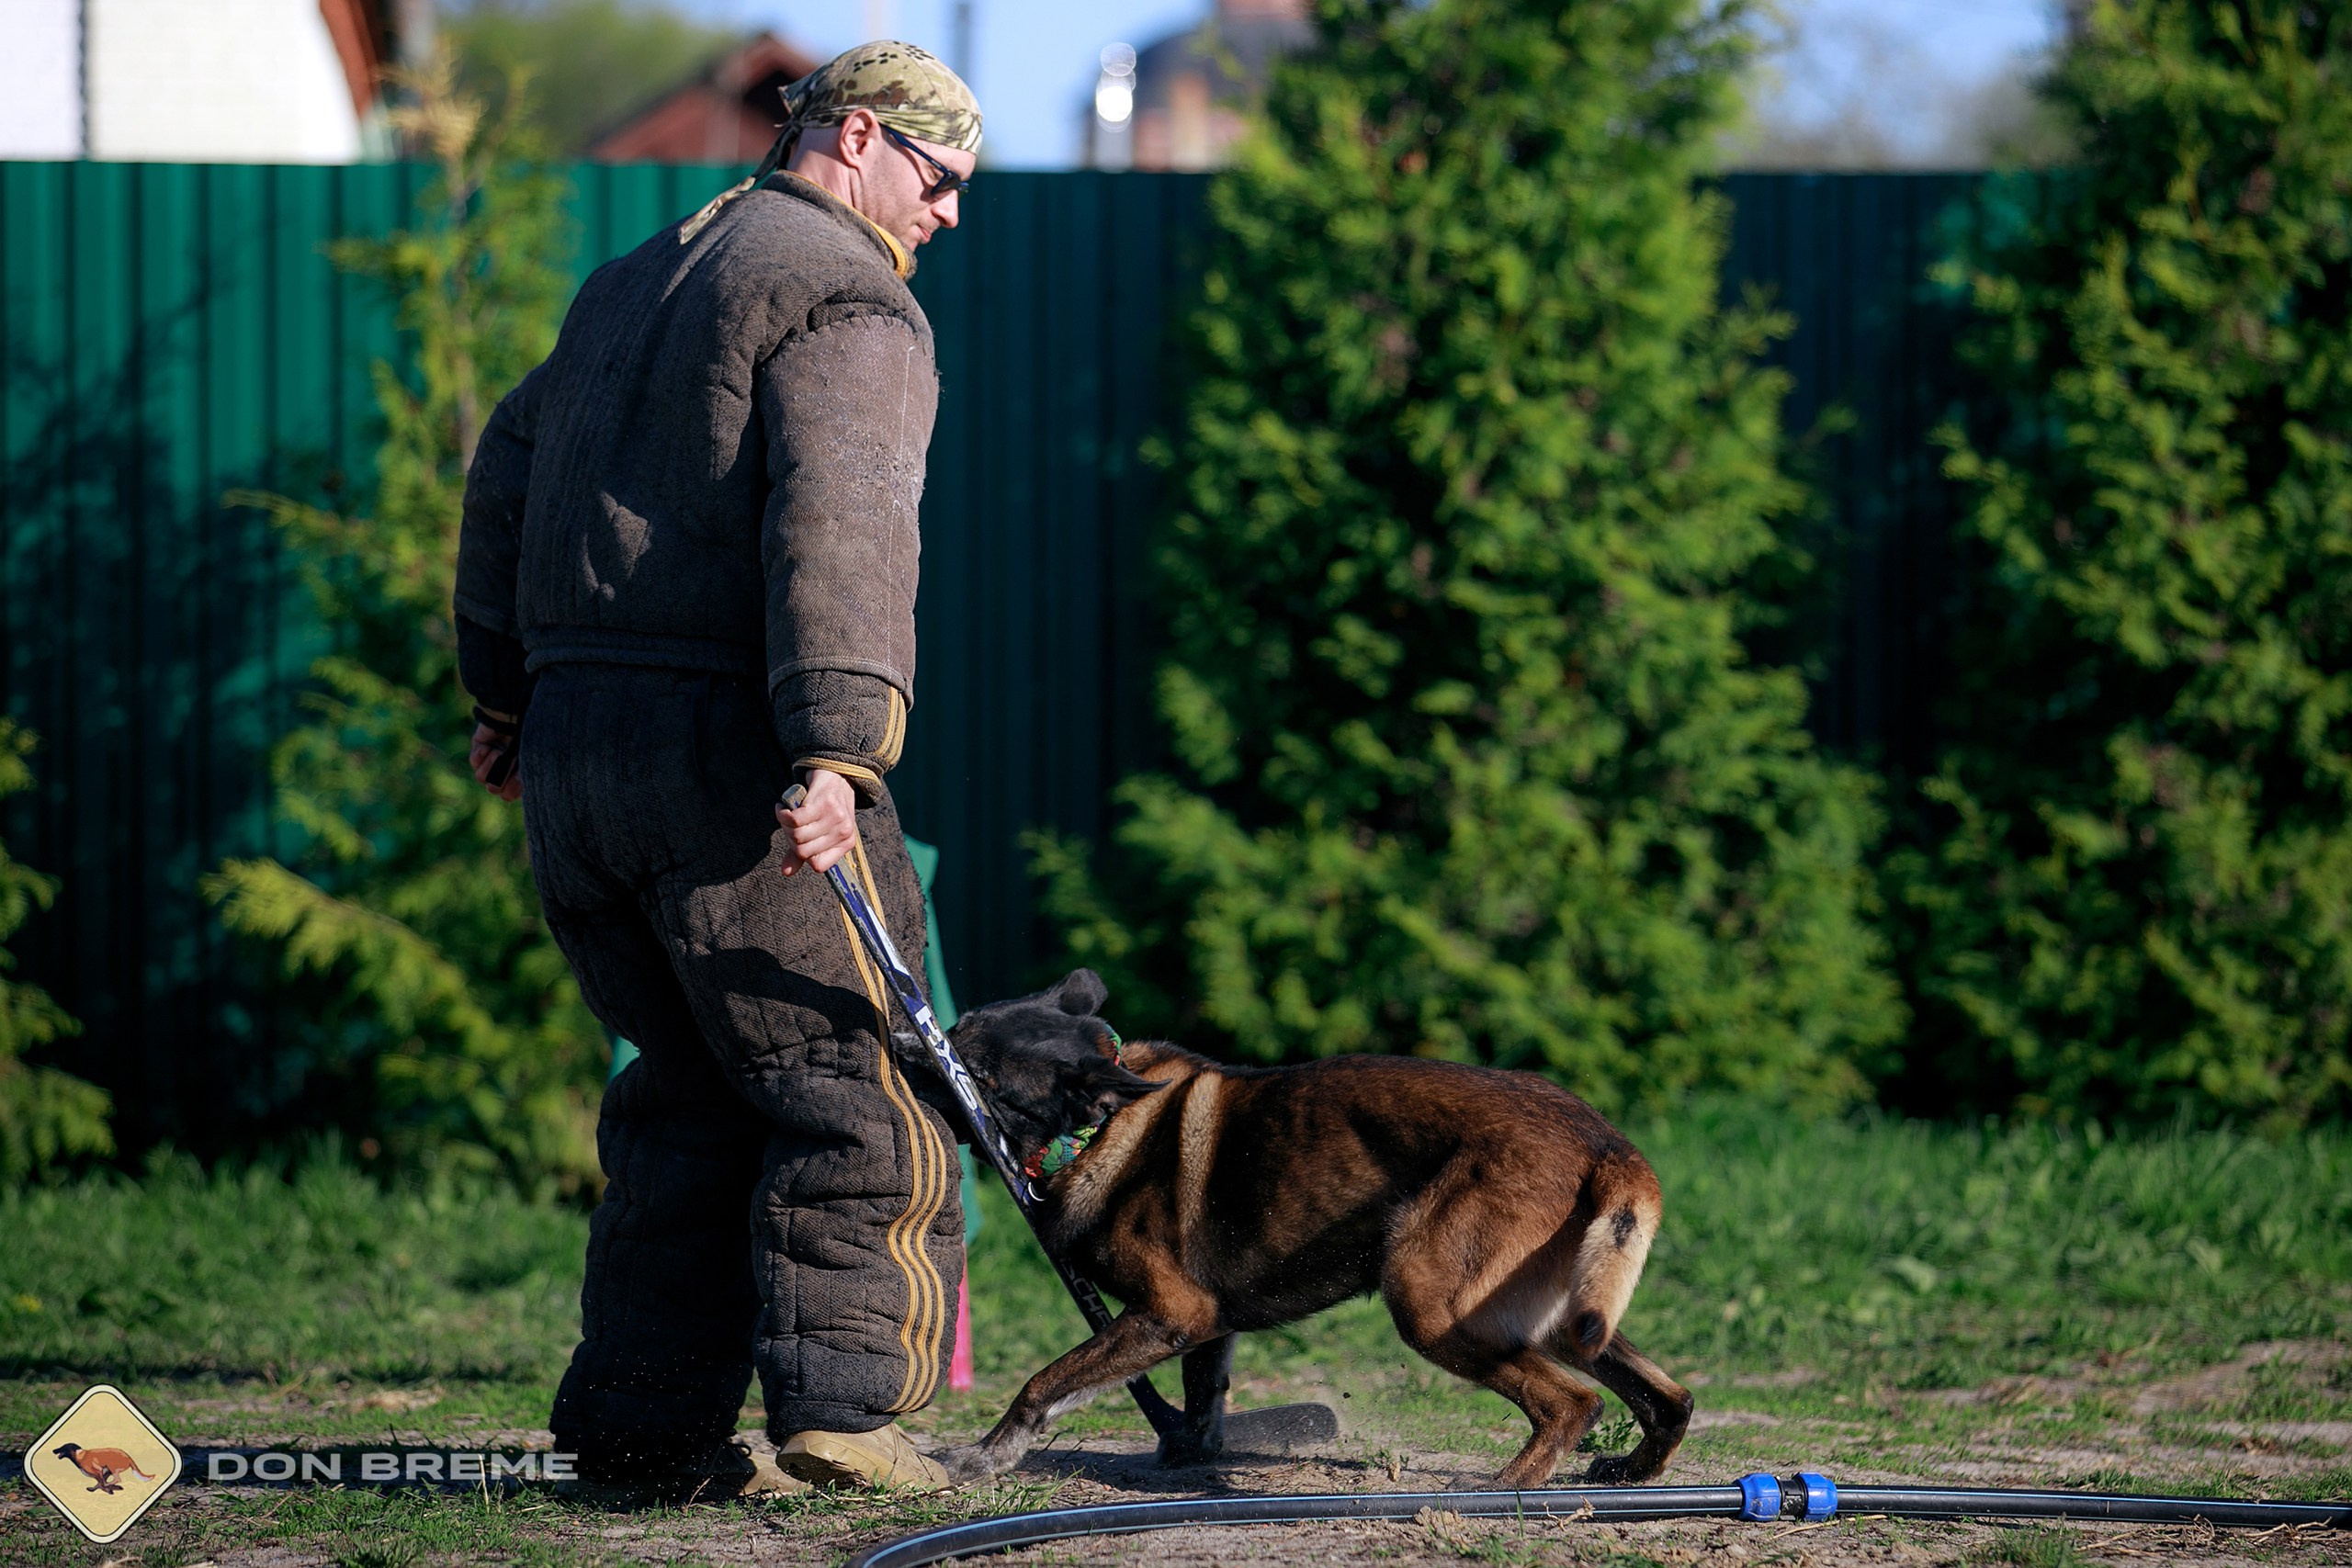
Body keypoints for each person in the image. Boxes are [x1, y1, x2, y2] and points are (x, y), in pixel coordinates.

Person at [452, 41, 980, 1503]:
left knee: (687, 1093)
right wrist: (839, 747)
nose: (946, 215)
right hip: (727, 763)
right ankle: (850, 1419)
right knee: (859, 1077)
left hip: (576, 767)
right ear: (860, 140)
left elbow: (508, 460)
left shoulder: (634, 279)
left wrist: (503, 690)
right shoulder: (842, 289)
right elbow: (845, 525)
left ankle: (642, 1429)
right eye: (940, 182)